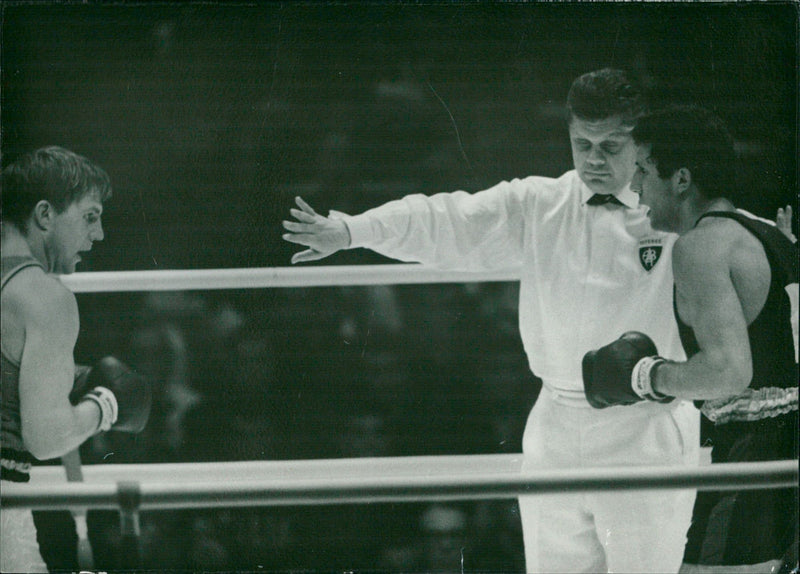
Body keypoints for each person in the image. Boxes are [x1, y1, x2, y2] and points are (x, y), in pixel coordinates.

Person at [282, 68, 701, 573]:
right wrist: (352, 230)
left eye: (611, 145)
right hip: (555, 422)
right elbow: (447, 218)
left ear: (643, 143)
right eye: (582, 143)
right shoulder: (541, 204)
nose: (594, 159)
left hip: (646, 423)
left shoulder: (680, 212)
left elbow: (743, 245)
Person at [582, 105, 798, 573]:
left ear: (681, 179)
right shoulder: (771, 238)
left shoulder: (701, 246)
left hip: (758, 455)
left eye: (642, 169)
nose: (635, 186)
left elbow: (728, 372)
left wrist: (646, 376)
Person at [1, 146, 152, 573]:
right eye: (89, 216)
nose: (99, 234)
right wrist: (106, 405)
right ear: (45, 215)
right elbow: (46, 438)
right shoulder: (44, 296)